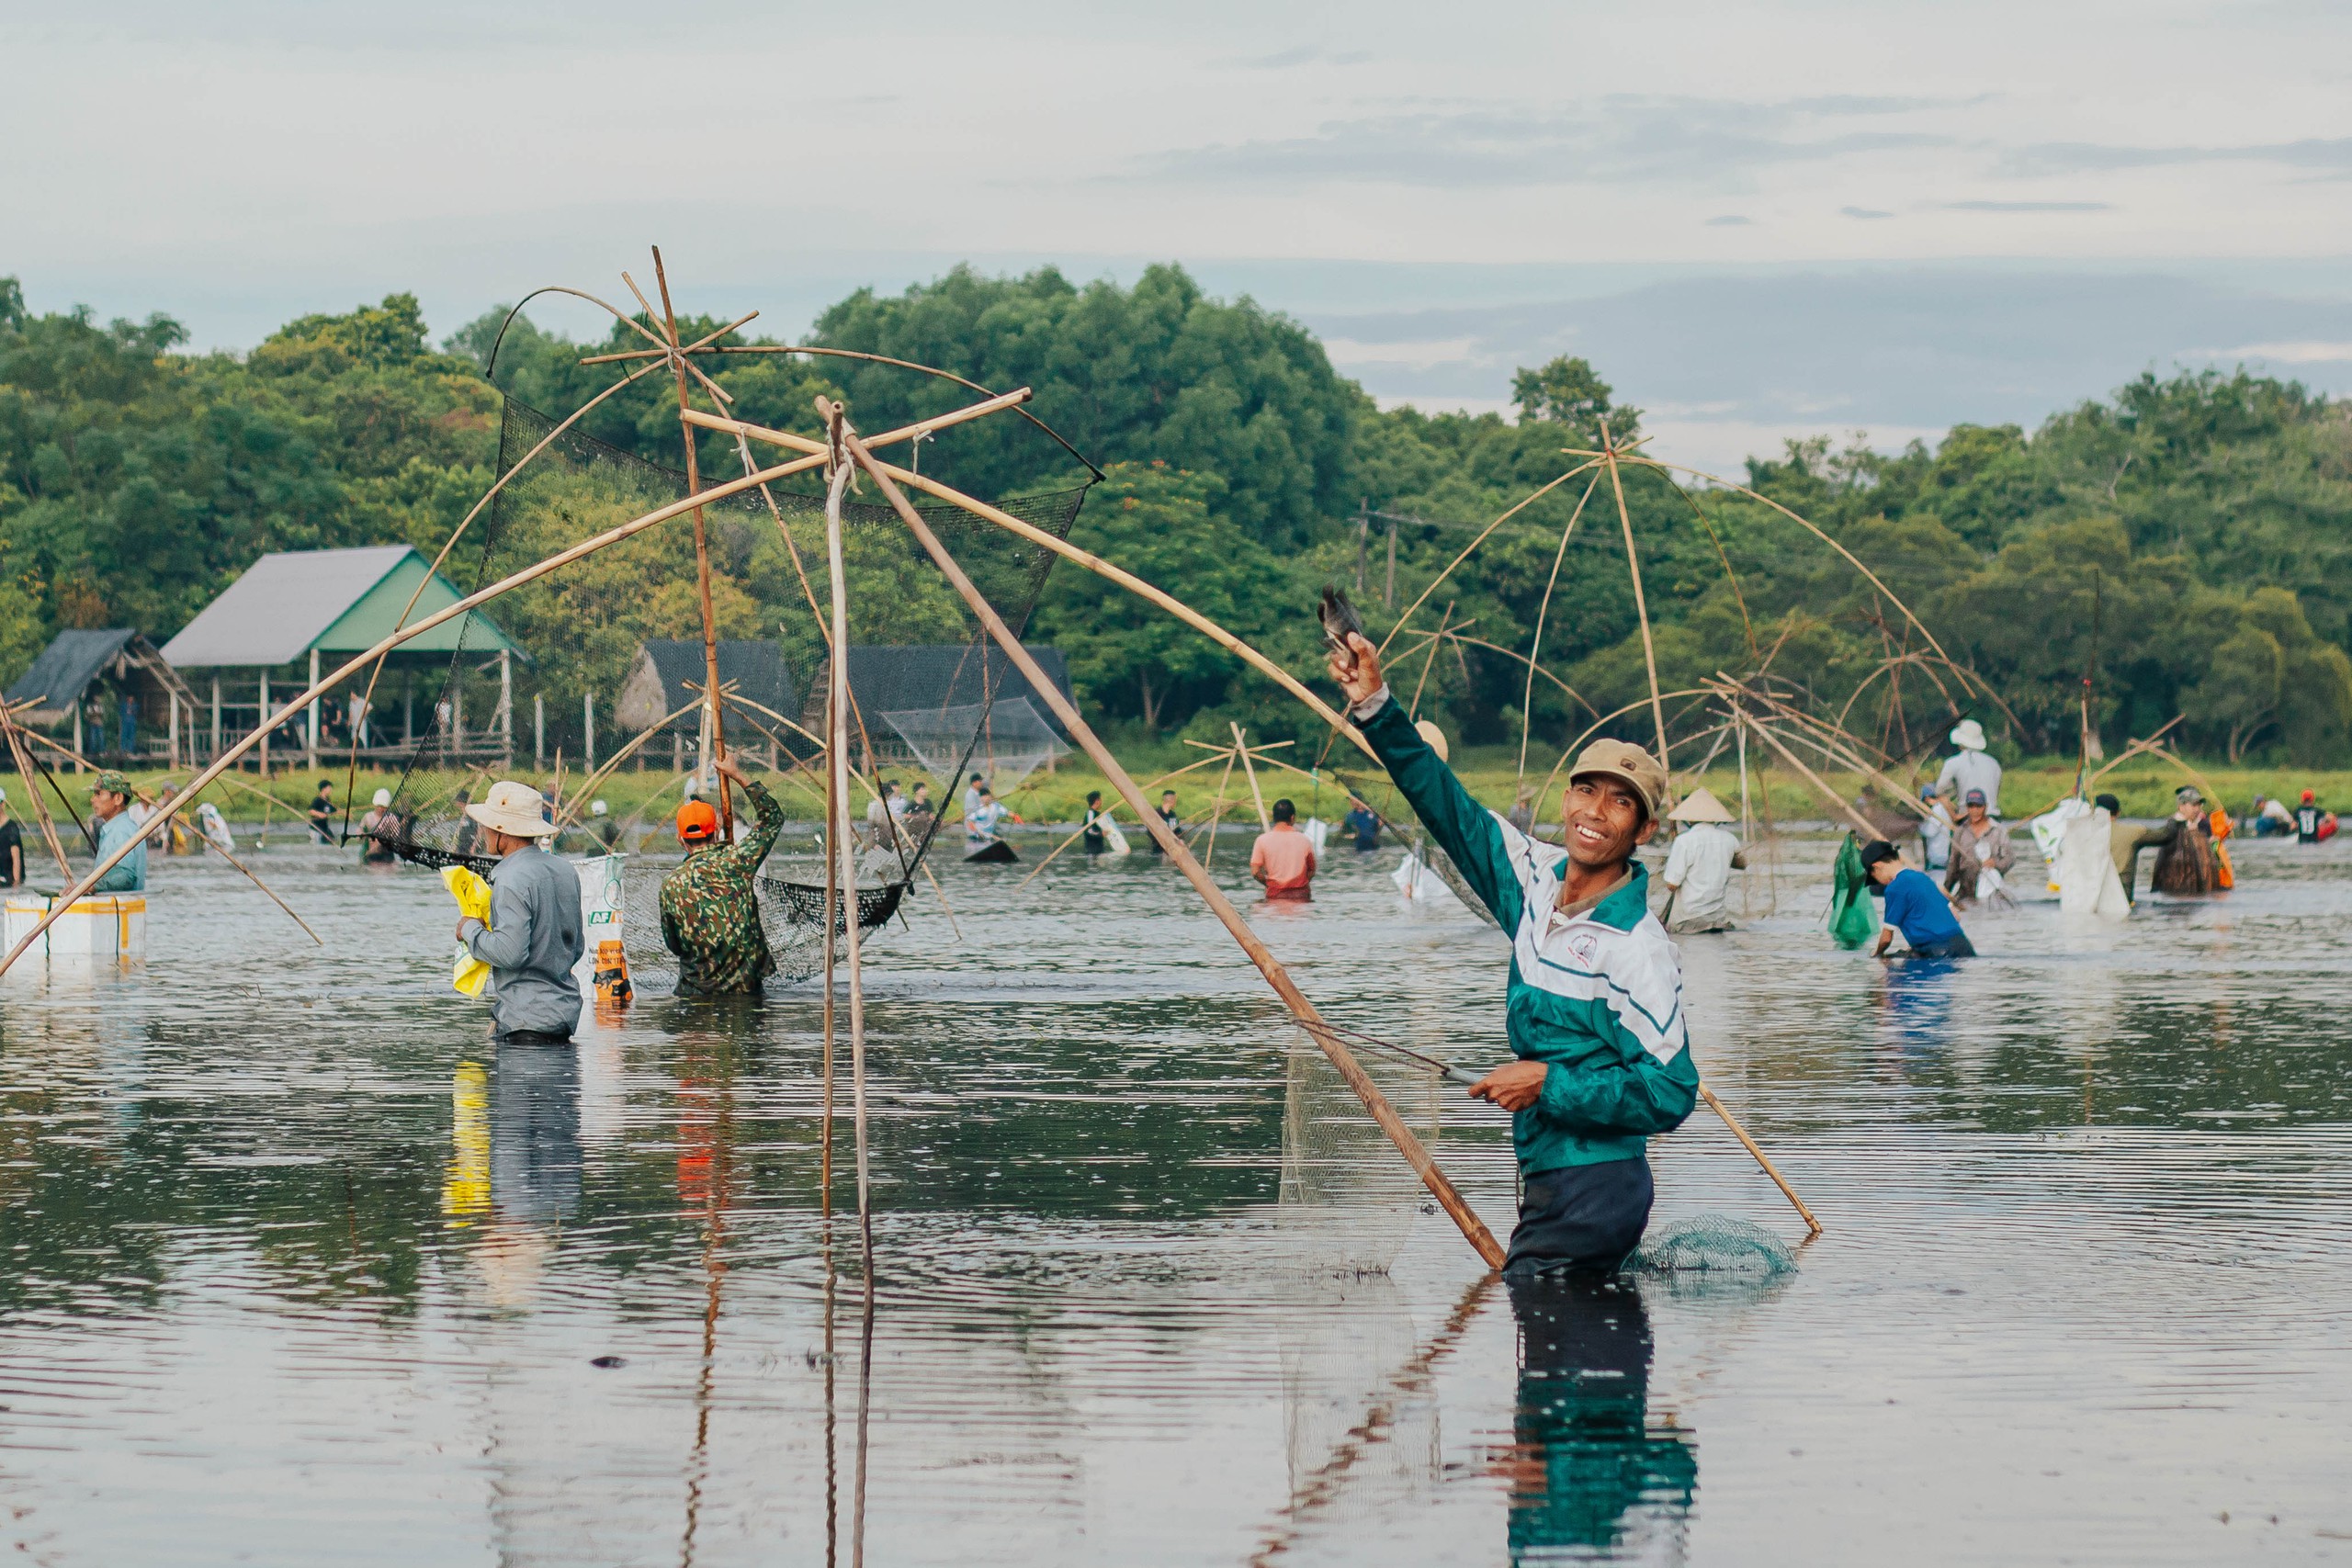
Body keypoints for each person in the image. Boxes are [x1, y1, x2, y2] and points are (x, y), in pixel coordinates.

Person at [1328, 628, 1696, 1275]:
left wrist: (1549, 1081)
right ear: (1567, 797)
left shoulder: (1638, 948)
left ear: (1643, 830)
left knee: (1553, 1341)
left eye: (1621, 802)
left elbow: (1670, 1090)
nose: (1596, 811)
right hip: (1550, 1176)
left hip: (1599, 1187)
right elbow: (1449, 808)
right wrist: (1376, 706)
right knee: (1559, 1360)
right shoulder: (1531, 878)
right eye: (1588, 790)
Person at [454, 780, 583, 1042]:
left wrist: (469, 929)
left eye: (487, 825)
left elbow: (510, 953)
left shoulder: (510, 878)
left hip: (526, 1025)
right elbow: (576, 946)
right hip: (563, 1019)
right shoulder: (566, 870)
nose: (484, 830)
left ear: (502, 831)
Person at [659, 754, 786, 998]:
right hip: (746, 993)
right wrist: (737, 775)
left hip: (695, 995)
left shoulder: (671, 884)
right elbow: (773, 818)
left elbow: (674, 945)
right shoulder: (739, 862)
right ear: (716, 831)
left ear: (680, 839)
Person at [1861, 840, 1973, 958]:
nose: (1878, 882)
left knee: (1887, 967)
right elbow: (1955, 916)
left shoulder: (1894, 888)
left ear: (1877, 867)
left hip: (1938, 951)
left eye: (1874, 878)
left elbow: (1886, 939)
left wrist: (1876, 954)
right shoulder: (1923, 877)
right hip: (1963, 945)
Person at [1659, 786, 1744, 934]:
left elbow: (1672, 884)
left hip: (1688, 919)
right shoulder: (1730, 840)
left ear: (1690, 818)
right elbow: (1742, 864)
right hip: (1716, 918)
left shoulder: (1684, 841)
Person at [1943, 789, 2013, 906]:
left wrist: (1995, 863)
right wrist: (1946, 890)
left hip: (1991, 893)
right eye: (1971, 806)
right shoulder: (1960, 832)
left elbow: (2010, 858)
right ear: (1967, 807)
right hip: (1966, 892)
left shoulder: (1998, 830)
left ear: (1985, 807)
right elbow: (1953, 864)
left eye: (1978, 806)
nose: (1974, 810)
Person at [2153, 786, 2222, 896]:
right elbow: (2162, 858)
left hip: (2199, 884)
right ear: (2181, 806)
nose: (2197, 809)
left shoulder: (2202, 825)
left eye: (2199, 805)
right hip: (2178, 885)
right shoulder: (2172, 826)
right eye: (2194, 805)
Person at [88, 772, 148, 893]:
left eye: (98, 794)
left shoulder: (120, 830)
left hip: (117, 907)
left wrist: (90, 887)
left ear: (118, 798)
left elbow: (125, 878)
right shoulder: (123, 827)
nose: (92, 800)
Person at [1247, 797, 1317, 898]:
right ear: (1292, 818)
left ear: (1273, 817)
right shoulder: (1305, 840)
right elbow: (1311, 870)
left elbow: (1255, 872)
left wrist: (1270, 884)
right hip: (1301, 896)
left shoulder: (1262, 840)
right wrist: (1298, 884)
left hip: (1275, 895)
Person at [1935, 718, 2002, 817]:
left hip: (1968, 818)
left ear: (1960, 742)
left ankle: (1956, 818)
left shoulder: (1952, 762)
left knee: (1942, 798)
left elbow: (1939, 791)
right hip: (1993, 816)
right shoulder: (1994, 763)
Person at [965, 785, 1014, 862]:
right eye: (983, 796)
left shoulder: (996, 806)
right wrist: (979, 832)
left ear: (990, 796)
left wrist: (1015, 816)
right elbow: (970, 823)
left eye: (987, 795)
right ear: (980, 798)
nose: (986, 798)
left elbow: (1007, 813)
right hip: (978, 837)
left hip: (990, 838)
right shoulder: (977, 809)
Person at [1917, 784, 1953, 873]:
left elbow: (1930, 832)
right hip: (1942, 854)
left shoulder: (1937, 809)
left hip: (1939, 855)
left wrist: (1920, 827)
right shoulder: (1941, 808)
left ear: (1927, 798)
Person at [358, 786, 400, 864]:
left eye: (384, 807)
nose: (381, 809)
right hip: (370, 854)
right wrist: (361, 835)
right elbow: (360, 831)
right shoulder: (368, 817)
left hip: (387, 855)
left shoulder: (391, 818)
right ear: (375, 805)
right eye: (379, 806)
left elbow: (397, 836)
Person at [0, 786, 21, 887]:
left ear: (2, 804)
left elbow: (16, 859)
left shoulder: (11, 828)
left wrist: (16, 884)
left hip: (8, 880)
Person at [1149, 788, 1181, 854]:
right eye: (1175, 799)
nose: (1175, 802)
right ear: (1172, 800)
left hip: (1172, 848)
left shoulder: (1173, 815)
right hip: (1158, 849)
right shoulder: (1156, 814)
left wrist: (1180, 840)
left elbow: (1177, 831)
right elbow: (1150, 831)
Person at [307, 780, 335, 844]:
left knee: (331, 839)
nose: (330, 790)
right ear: (323, 789)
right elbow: (311, 811)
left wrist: (344, 813)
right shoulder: (318, 800)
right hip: (316, 828)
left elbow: (333, 810)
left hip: (324, 828)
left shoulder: (328, 800)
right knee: (317, 845)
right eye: (329, 788)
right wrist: (320, 814)